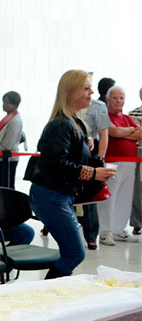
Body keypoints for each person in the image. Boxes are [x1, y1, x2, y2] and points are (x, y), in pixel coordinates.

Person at [29, 70, 116, 279]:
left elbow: (67, 160)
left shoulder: (74, 122)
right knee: (75, 252)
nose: (91, 92)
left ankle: (52, 295)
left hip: (59, 194)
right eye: (86, 88)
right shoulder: (62, 124)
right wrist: (93, 172)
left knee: (72, 252)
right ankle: (46, 296)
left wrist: (93, 162)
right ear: (72, 91)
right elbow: (56, 164)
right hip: (51, 195)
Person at [97, 86, 142, 246]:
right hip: (111, 163)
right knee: (110, 197)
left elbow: (140, 133)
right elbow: (113, 132)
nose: (118, 101)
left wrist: (125, 131)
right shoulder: (104, 116)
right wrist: (129, 132)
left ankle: (118, 230)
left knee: (125, 197)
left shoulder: (127, 117)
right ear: (108, 100)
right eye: (115, 98)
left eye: (121, 98)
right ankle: (105, 231)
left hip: (130, 163)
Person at [81, 77, 113, 250]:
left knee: (89, 197)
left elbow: (104, 133)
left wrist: (100, 158)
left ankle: (91, 237)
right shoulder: (68, 106)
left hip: (90, 154)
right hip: (72, 155)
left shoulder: (98, 107)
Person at [0, 91, 23, 188]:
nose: (4, 105)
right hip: (1, 157)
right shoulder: (9, 118)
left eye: (7, 102)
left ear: (15, 104)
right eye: (4, 102)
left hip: (7, 158)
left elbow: (8, 144)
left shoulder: (15, 120)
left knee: (5, 186)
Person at [128, 86, 142, 236]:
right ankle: (137, 223)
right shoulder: (133, 113)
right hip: (138, 153)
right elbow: (134, 134)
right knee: (137, 190)